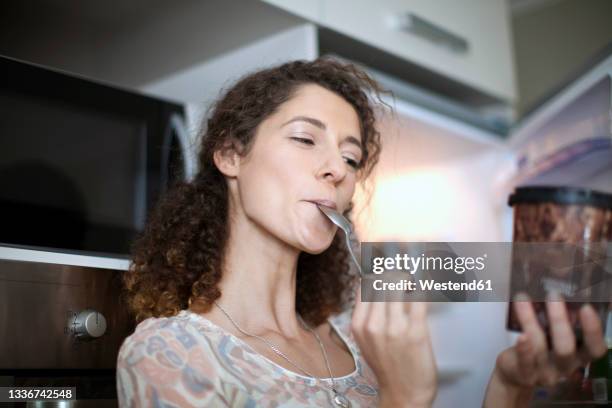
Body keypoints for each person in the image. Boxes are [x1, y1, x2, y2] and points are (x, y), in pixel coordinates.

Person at [115, 57, 608, 407]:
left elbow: (571, 275)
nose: (337, 169)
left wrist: (509, 384)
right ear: (230, 155)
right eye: (306, 139)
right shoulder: (169, 354)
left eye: (351, 158)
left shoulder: (359, 339)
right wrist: (404, 399)